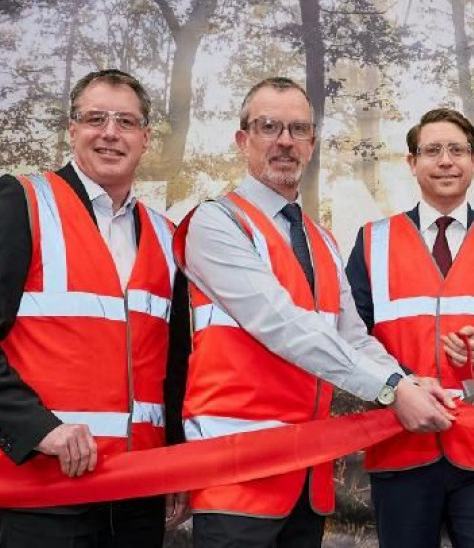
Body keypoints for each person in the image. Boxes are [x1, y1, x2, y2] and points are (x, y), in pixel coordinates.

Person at [174, 77, 457, 548]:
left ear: (311, 143)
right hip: (236, 476)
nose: (285, 141)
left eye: (298, 129)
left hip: (305, 477)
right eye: (269, 127)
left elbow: (353, 336)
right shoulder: (216, 222)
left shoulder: (320, 239)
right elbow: (283, 325)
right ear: (243, 140)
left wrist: (404, 378)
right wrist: (391, 389)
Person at [0, 69, 191, 547]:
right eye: (95, 118)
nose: (110, 132)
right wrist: (38, 430)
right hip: (50, 489)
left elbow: (175, 363)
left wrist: (176, 457)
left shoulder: (164, 233)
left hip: (139, 489)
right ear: (71, 130)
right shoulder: (22, 202)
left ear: (145, 138)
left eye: (126, 121)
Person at [345, 108, 474, 548]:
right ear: (412, 163)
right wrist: (396, 388)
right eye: (432, 151)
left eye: (457, 150)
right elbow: (348, 341)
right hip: (401, 444)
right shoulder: (373, 241)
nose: (446, 161)